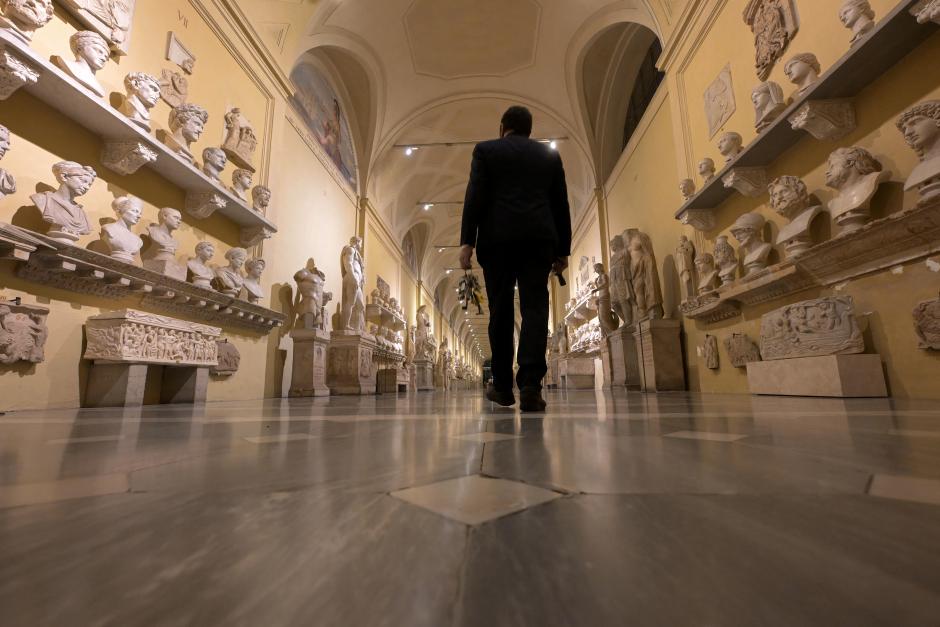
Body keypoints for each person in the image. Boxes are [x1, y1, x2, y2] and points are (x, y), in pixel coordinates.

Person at [459, 105, 571, 412]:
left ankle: (503, 387)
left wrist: (467, 242)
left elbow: (475, 196)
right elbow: (560, 204)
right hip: (538, 240)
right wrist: (563, 250)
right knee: (535, 307)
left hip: (497, 241)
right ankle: (531, 385)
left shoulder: (486, 151)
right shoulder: (549, 155)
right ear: (529, 130)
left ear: (502, 127)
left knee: (501, 310)